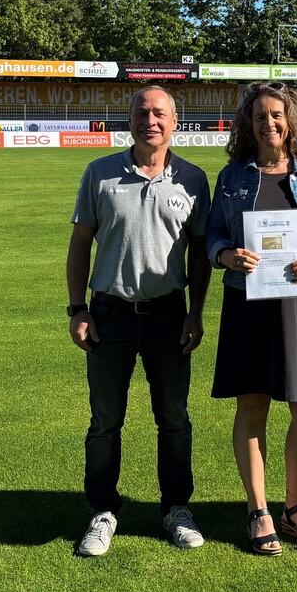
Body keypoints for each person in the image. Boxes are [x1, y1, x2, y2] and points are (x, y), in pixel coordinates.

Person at [67, 85, 211, 556]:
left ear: (175, 121)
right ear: (129, 120)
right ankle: (103, 511)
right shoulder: (100, 173)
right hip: (109, 315)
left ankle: (176, 508)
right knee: (105, 421)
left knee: (174, 418)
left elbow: (199, 254)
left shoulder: (193, 179)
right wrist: (77, 308)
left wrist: (196, 312)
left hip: (169, 315)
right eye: (142, 112)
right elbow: (80, 243)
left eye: (159, 113)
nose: (151, 120)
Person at [207, 82, 297, 556]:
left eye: (277, 115)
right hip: (248, 302)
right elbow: (213, 235)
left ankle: (295, 506)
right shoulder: (231, 178)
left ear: (292, 121)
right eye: (260, 115)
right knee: (253, 404)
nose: (269, 123)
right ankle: (258, 509)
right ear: (248, 123)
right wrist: (226, 256)